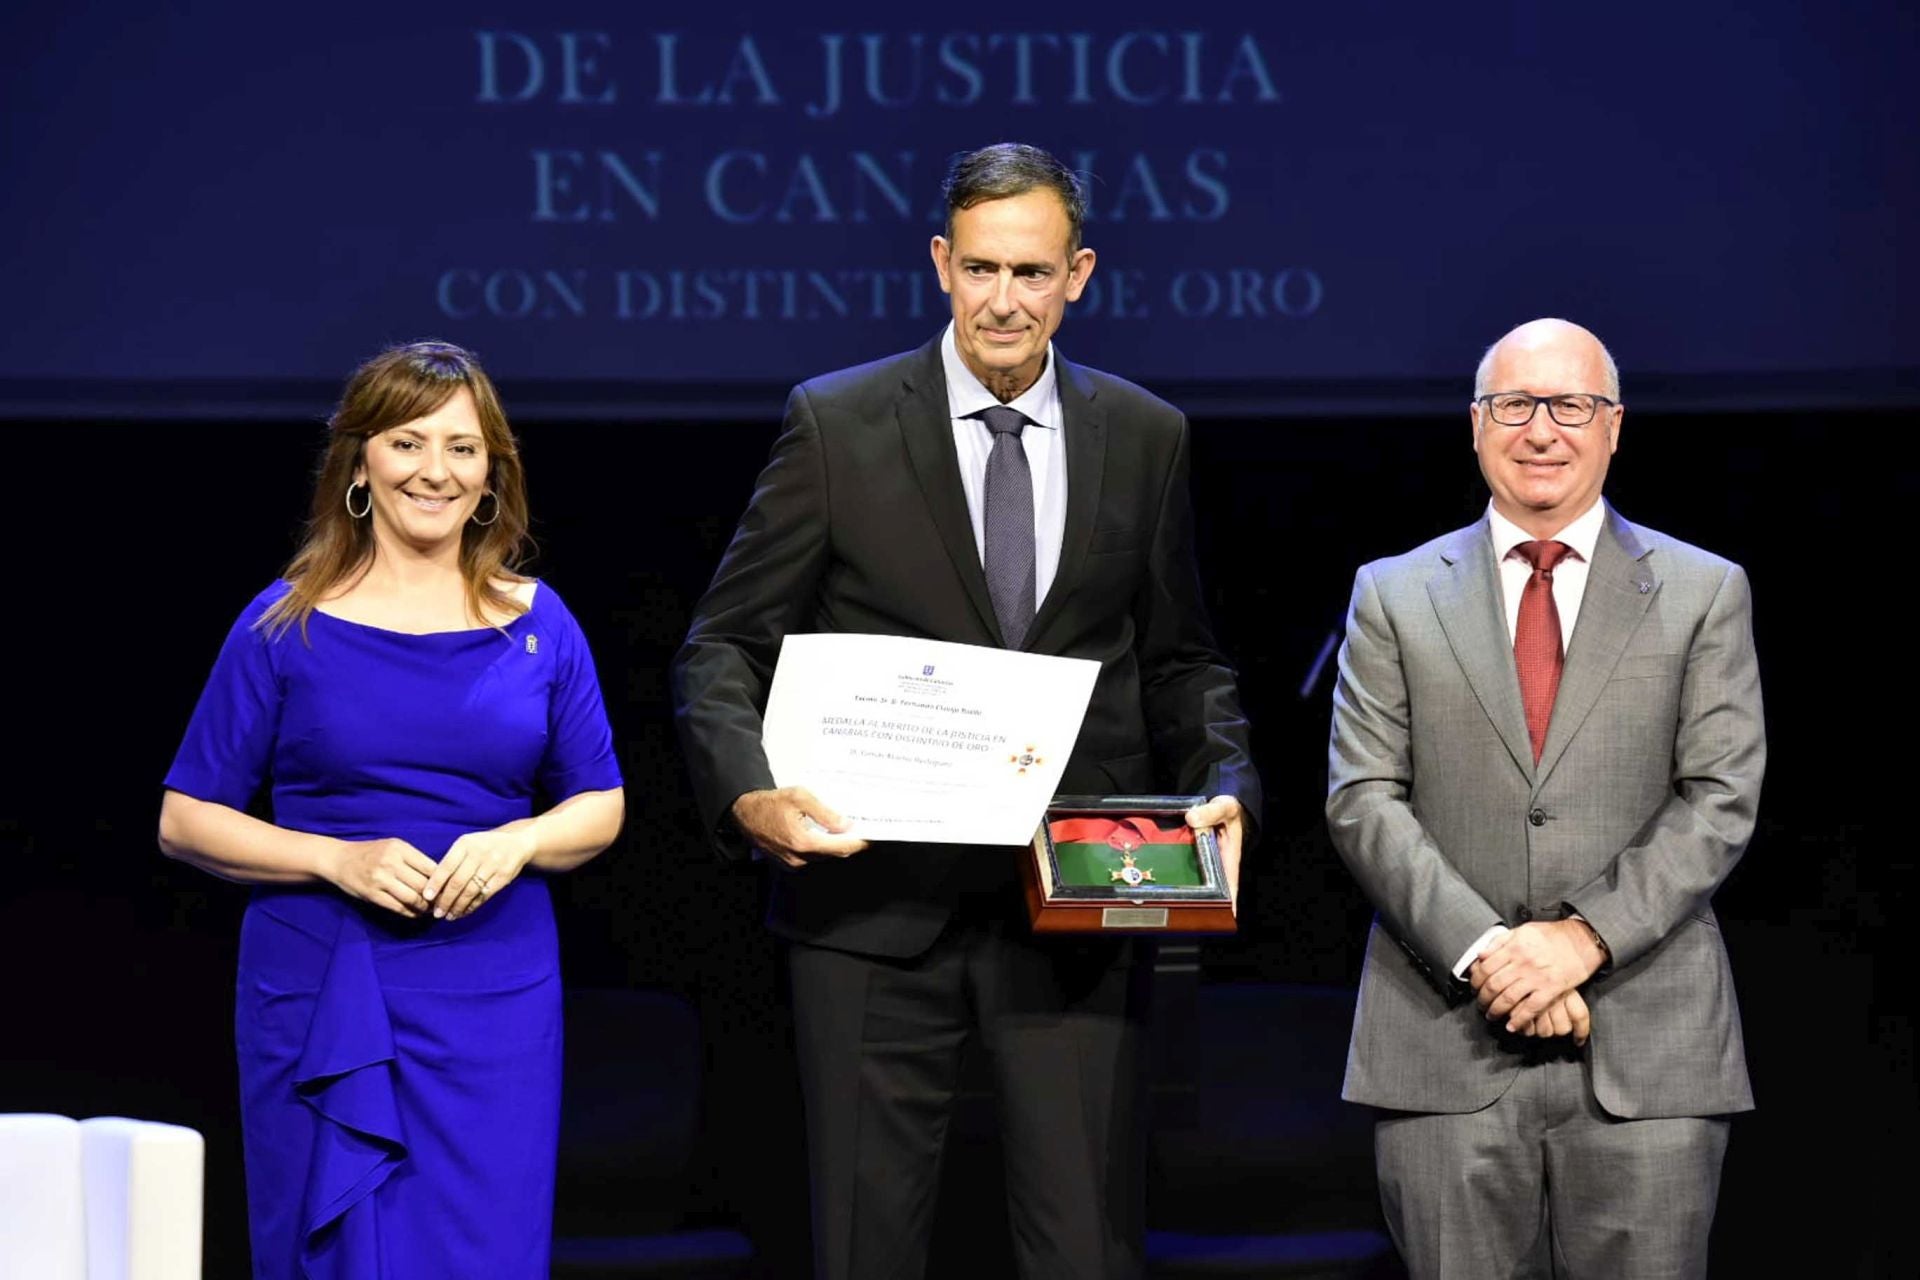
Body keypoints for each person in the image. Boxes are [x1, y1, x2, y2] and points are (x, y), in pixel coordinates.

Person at [672, 142, 1260, 1280]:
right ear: (941, 263)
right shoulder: (837, 424)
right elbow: (724, 643)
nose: (1004, 299)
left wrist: (1227, 790)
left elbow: (1183, 657)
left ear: (1078, 274)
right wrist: (751, 792)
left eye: (1032, 273)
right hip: (871, 906)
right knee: (862, 1244)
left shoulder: (1145, 434)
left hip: (1076, 906)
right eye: (981, 267)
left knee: (1083, 1247)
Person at [157, 341, 625, 1279]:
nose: (435, 471)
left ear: (492, 471)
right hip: (322, 977)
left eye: (462, 447)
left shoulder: (540, 622)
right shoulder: (285, 621)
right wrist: (338, 859)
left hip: (492, 998)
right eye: (409, 442)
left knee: (480, 1249)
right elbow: (185, 818)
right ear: (360, 460)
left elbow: (600, 804)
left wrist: (522, 839)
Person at [1325, 317, 1765, 1278]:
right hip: (1444, 1055)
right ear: (1476, 425)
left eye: (1570, 405)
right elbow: (1363, 800)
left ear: (1613, 427)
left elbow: (1720, 799)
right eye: (1515, 404)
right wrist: (1492, 956)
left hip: (1648, 1057)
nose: (1542, 430)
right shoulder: (1393, 594)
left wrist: (1581, 938)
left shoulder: (1702, 591)